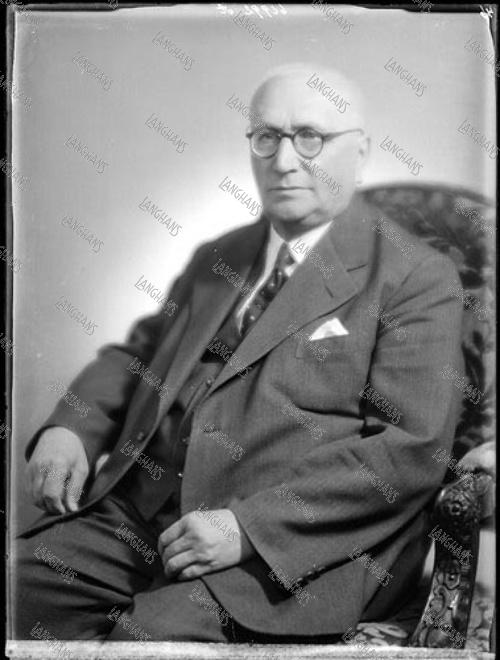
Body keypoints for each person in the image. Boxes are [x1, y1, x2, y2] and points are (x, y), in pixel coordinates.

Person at [13, 63, 464, 642]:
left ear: (360, 152)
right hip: (140, 517)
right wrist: (72, 427)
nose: (284, 161)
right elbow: (139, 354)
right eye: (267, 137)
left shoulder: (415, 277)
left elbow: (411, 450)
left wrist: (248, 528)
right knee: (17, 587)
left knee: (148, 642)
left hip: (285, 554)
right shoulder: (219, 255)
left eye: (310, 137)